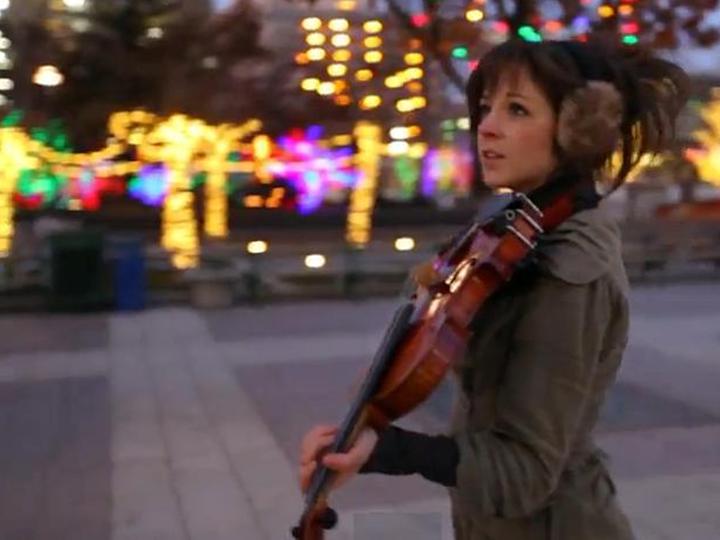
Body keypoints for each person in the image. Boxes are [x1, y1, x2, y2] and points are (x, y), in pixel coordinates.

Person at [299, 38, 689, 539]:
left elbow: (525, 473)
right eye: (486, 107)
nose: (487, 126)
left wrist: (389, 450)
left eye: (517, 109)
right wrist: (366, 421)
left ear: (578, 131)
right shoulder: (519, 231)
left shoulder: (569, 266)